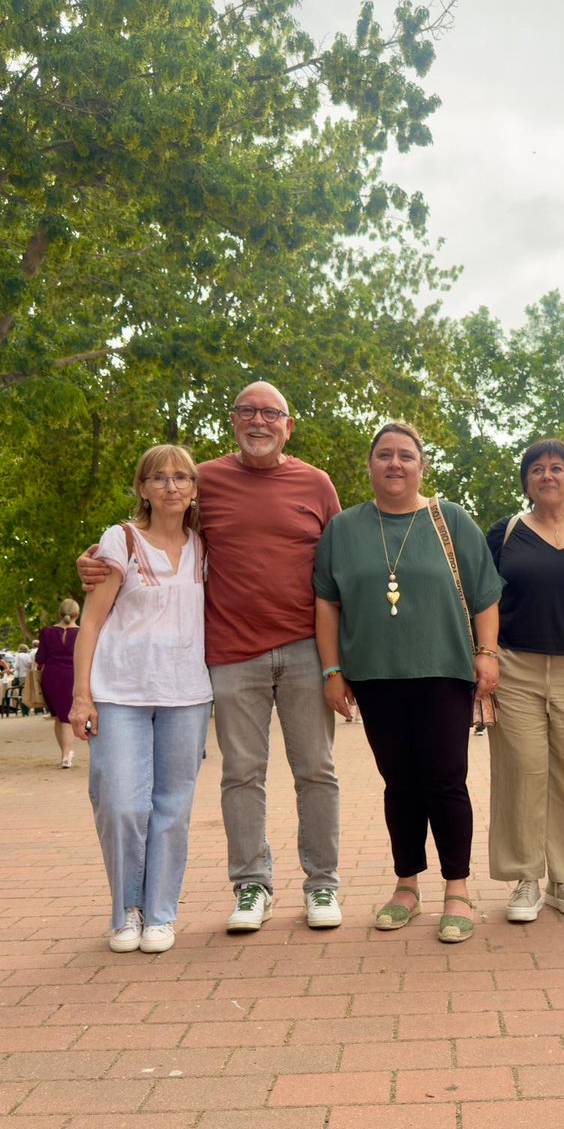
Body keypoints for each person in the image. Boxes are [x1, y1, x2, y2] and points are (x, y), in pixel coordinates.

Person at [79, 382, 343, 933]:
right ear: (232, 421)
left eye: (271, 412)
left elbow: (342, 568)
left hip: (303, 649)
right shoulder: (206, 480)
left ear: (288, 425)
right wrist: (94, 562)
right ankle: (253, 885)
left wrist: (342, 662)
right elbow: (156, 534)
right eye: (248, 411)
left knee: (315, 771)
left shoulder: (316, 483)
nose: (259, 421)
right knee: (242, 774)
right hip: (229, 653)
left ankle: (322, 885)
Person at [313, 422, 502, 943]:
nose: (395, 464)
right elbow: (327, 604)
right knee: (399, 785)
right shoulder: (344, 529)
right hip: (374, 675)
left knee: (445, 781)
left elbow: (485, 595)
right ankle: (406, 886)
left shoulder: (452, 520)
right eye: (384, 455)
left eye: (406, 456)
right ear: (369, 465)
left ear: (422, 465)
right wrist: (332, 671)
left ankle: (457, 889)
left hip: (443, 671)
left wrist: (487, 653)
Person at [70, 445, 213, 953]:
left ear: (195, 488)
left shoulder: (205, 546)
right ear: (142, 488)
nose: (171, 486)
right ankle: (126, 910)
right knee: (122, 804)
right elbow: (90, 620)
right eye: (159, 478)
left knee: (172, 809)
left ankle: (160, 914)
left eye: (181, 477)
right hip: (119, 693)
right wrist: (81, 696)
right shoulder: (121, 540)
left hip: (187, 693)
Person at [486, 438, 564, 923]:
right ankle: (524, 878)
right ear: (526, 481)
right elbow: (483, 600)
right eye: (537, 469)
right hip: (515, 665)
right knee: (522, 769)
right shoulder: (505, 533)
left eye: (557, 468)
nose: (547, 475)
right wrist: (486, 657)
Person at [36, 599, 80, 767]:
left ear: (59, 613)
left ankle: (64, 754)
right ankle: (66, 756)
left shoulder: (47, 632)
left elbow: (40, 658)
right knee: (66, 716)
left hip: (51, 677)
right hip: (72, 676)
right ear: (77, 614)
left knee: (59, 716)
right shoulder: (82, 633)